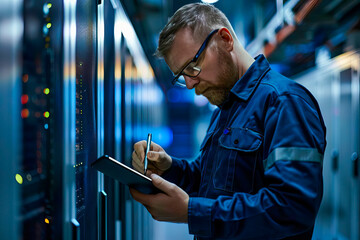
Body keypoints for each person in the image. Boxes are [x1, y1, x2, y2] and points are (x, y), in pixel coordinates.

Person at [130, 3, 326, 240]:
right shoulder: (224, 109)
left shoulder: (283, 101)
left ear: (225, 39)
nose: (190, 84)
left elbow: (292, 208)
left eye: (193, 67)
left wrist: (192, 213)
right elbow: (207, 181)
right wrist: (170, 167)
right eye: (182, 76)